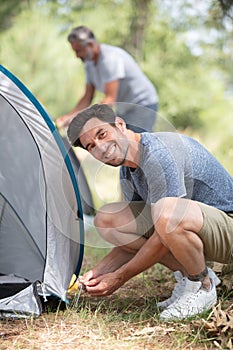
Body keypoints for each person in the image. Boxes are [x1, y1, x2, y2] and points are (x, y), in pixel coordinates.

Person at [67, 104, 233, 320]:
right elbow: (139, 239)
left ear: (119, 124)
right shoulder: (128, 170)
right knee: (109, 219)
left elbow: (165, 228)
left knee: (166, 216)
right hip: (200, 230)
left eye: (102, 134)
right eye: (91, 146)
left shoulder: (158, 151)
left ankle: (202, 285)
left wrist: (119, 278)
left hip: (228, 227)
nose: (100, 147)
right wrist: (98, 273)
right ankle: (191, 274)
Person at [56, 26, 158, 133]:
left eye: (79, 51)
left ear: (90, 45)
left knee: (135, 144)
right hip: (124, 108)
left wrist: (88, 118)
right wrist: (68, 117)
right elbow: (87, 97)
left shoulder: (109, 59)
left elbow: (110, 99)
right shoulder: (89, 64)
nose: (77, 56)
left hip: (142, 104)